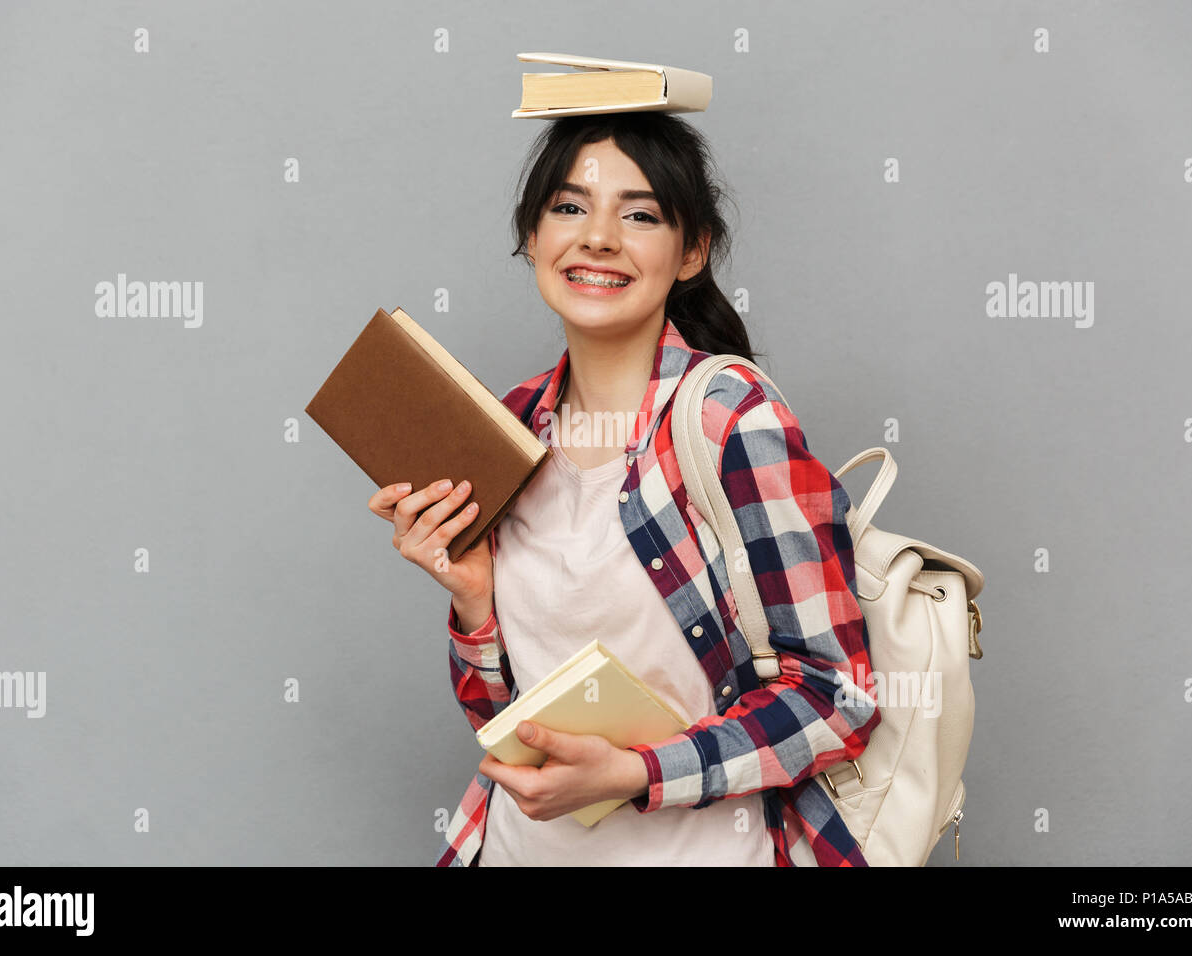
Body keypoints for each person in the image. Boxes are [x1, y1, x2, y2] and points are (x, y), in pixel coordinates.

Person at [369, 112, 880, 866]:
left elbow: (838, 699)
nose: (598, 237)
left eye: (639, 215)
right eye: (569, 207)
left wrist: (641, 773)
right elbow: (504, 721)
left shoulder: (729, 420)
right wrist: (473, 598)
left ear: (692, 251)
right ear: (532, 236)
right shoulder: (507, 427)